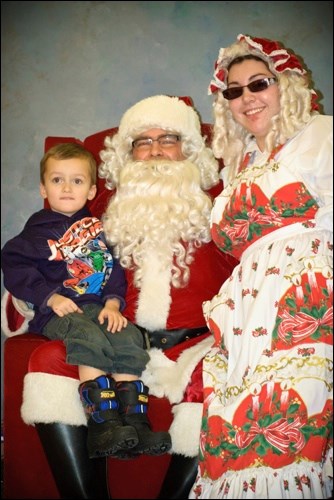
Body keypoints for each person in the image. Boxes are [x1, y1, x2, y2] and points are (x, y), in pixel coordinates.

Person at [10, 96, 238, 498]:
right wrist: (36, 296)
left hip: (195, 344)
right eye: (141, 142)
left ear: (189, 148)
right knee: (47, 360)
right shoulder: (97, 205)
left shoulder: (220, 201)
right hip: (112, 331)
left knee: (219, 377)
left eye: (167, 138)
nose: (153, 150)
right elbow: (48, 254)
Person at [188, 34, 333, 499]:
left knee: (289, 428)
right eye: (234, 91)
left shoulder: (321, 135)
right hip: (249, 307)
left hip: (305, 298)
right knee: (236, 433)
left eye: (258, 84)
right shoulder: (238, 165)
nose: (246, 98)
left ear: (285, 84)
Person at [1, 142, 172, 462]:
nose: (67, 187)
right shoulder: (34, 235)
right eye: (57, 180)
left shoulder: (100, 231)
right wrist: (49, 298)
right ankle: (103, 427)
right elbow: (14, 267)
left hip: (97, 306)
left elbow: (113, 271)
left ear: (91, 190)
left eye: (77, 181)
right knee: (89, 337)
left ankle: (134, 424)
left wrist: (112, 304)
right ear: (43, 187)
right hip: (56, 312)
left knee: (128, 336)